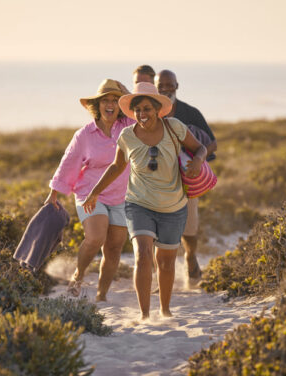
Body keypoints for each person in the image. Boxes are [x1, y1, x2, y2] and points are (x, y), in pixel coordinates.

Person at [82, 82, 207, 320]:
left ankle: (165, 309)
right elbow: (117, 166)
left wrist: (199, 161)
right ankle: (145, 314)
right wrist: (94, 192)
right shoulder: (127, 135)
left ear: (158, 109)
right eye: (138, 110)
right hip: (139, 204)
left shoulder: (174, 127)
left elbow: (200, 147)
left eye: (147, 109)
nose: (142, 114)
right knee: (143, 254)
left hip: (173, 206)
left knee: (166, 262)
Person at [45, 79, 134, 301]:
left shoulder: (128, 127)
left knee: (114, 248)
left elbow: (141, 108)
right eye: (106, 100)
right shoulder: (84, 135)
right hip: (90, 191)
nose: (111, 104)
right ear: (97, 105)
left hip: (121, 196)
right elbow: (69, 162)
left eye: (115, 100)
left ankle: (101, 295)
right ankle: (78, 274)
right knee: (95, 237)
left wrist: (126, 93)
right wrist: (54, 192)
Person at [155, 69, 217, 288]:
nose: (165, 89)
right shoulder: (150, 112)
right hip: (157, 182)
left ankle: (190, 256)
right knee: (157, 232)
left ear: (177, 86)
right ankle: (162, 279)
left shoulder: (190, 112)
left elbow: (212, 143)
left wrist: (200, 159)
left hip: (187, 179)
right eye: (160, 85)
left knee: (189, 230)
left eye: (169, 85)